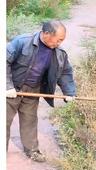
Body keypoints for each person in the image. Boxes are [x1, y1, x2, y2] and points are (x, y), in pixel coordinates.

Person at [6, 20, 76, 162]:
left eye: (62, 40)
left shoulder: (59, 53)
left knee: (30, 120)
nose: (60, 43)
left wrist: (69, 92)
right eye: (59, 39)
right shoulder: (22, 42)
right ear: (46, 34)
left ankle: (32, 150)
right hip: (13, 87)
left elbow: (65, 73)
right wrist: (7, 86)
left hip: (33, 90)